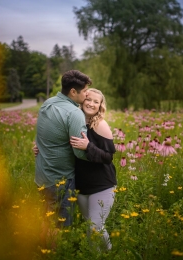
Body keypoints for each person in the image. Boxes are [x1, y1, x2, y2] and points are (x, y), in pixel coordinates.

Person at [34, 70, 91, 233]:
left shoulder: (48, 103)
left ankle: (42, 252)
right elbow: (80, 153)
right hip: (60, 179)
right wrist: (99, 153)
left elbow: (43, 134)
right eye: (85, 91)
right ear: (73, 91)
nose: (86, 95)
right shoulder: (74, 113)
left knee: (46, 219)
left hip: (41, 176)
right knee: (61, 227)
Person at [70, 88, 117, 250]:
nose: (91, 104)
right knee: (90, 227)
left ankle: (109, 252)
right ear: (82, 100)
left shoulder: (100, 125)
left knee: (96, 226)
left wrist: (88, 146)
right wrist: (40, 149)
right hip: (81, 185)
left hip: (102, 184)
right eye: (88, 99)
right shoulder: (74, 122)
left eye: (96, 102)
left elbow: (108, 157)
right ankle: (94, 255)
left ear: (100, 106)